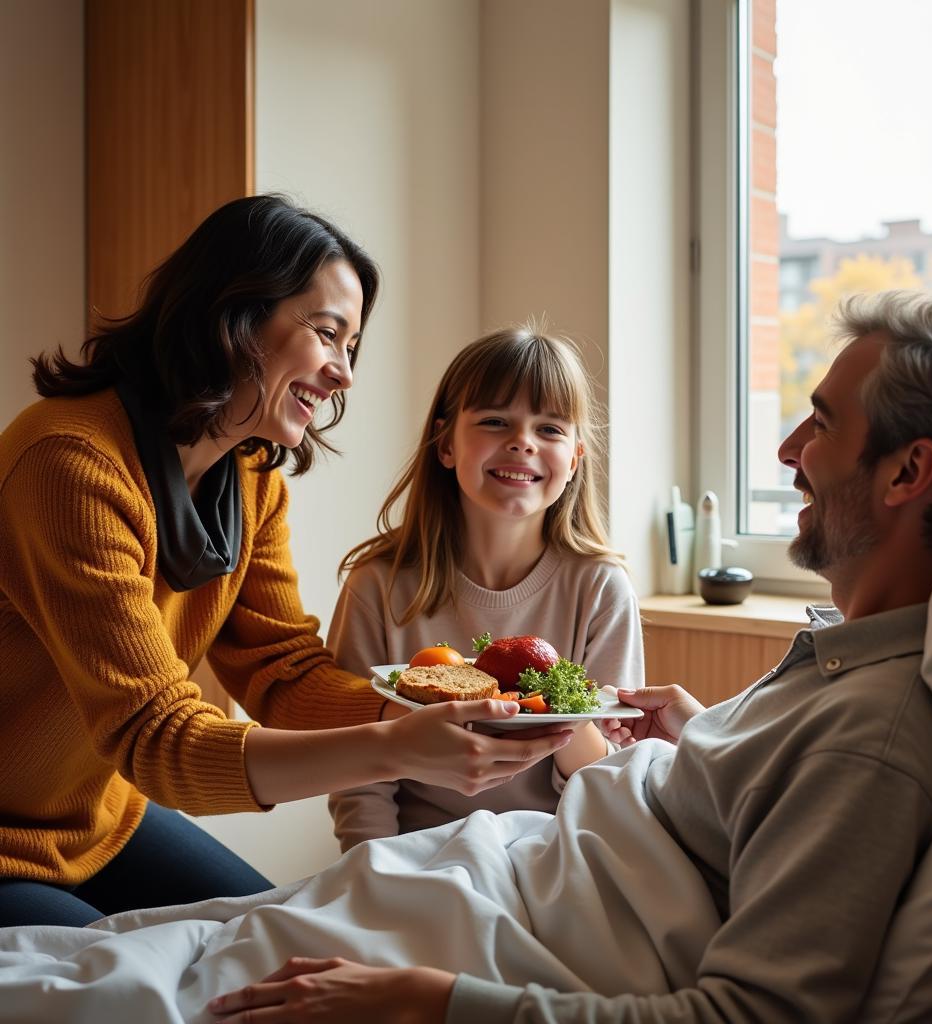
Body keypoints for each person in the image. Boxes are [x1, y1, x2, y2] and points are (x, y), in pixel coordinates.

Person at [202, 289, 932, 1023]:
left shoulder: (869, 740)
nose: (785, 449)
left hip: (516, 901)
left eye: (823, 421)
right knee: (170, 940)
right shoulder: (838, 668)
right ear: (445, 443)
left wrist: (430, 1001)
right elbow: (758, 810)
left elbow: (754, 1006)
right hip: (494, 867)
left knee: (157, 977)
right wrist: (705, 742)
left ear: (907, 472)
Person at [0, 195, 573, 929]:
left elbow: (282, 669)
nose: (344, 374)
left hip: (98, 820)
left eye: (351, 345)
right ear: (231, 314)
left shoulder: (250, 475)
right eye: (327, 333)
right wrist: (394, 745)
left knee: (278, 943)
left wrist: (443, 718)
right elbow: (157, 738)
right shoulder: (71, 464)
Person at [326, 325, 645, 851]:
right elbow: (361, 774)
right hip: (415, 854)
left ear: (575, 458)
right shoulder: (377, 585)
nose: (522, 441)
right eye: (495, 421)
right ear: (445, 444)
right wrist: (369, 875)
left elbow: (608, 779)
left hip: (547, 852)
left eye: (549, 429)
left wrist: (560, 716)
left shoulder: (601, 589)